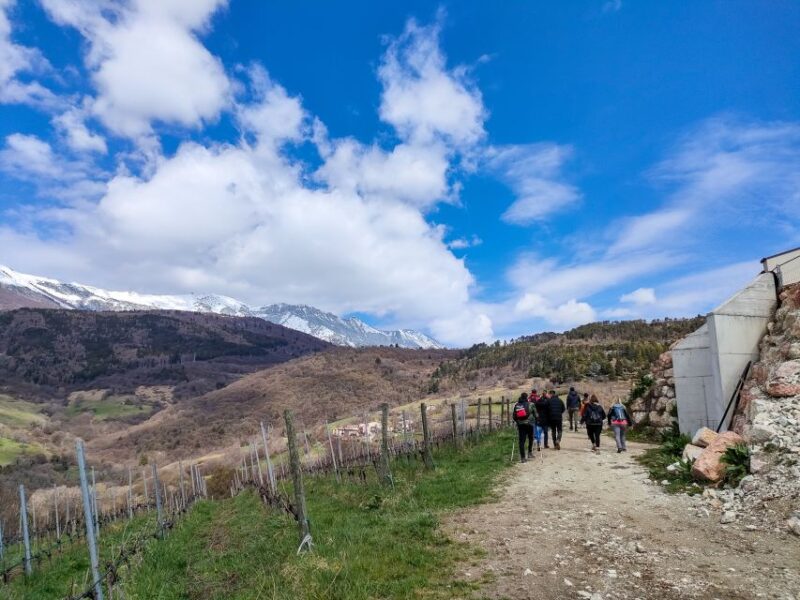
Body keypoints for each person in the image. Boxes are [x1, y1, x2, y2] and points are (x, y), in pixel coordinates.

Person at [512, 392, 534, 462]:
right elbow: (536, 414)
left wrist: (518, 422)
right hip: (529, 424)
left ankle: (523, 458)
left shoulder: (517, 405)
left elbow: (514, 416)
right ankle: (530, 453)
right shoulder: (531, 404)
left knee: (522, 441)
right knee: (531, 438)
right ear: (527, 397)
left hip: (520, 425)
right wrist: (536, 420)